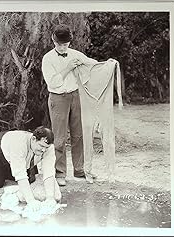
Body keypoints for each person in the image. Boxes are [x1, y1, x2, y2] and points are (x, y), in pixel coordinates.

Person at [41, 24, 98, 186]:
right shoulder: (48, 59)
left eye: (66, 44)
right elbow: (54, 82)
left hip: (76, 96)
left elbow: (91, 64)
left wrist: (107, 64)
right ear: (53, 41)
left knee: (78, 134)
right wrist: (67, 68)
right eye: (60, 44)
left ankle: (79, 170)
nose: (63, 47)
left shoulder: (75, 54)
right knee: (59, 137)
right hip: (58, 98)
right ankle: (60, 173)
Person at [0, 126, 61, 211]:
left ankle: (4, 170)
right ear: (33, 139)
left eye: (46, 148)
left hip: (22, 157)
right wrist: (31, 201)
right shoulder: (18, 144)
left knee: (30, 179)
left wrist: (50, 198)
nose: (43, 150)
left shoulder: (48, 147)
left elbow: (49, 173)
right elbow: (21, 176)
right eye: (41, 146)